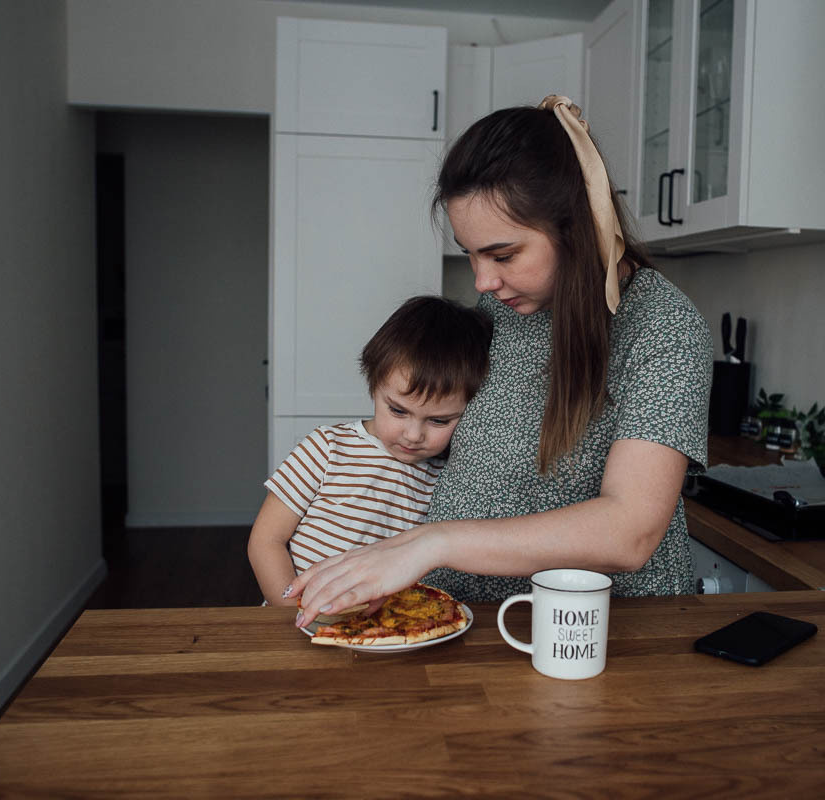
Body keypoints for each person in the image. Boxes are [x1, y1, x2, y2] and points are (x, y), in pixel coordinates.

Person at [288, 95, 712, 626]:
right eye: (471, 253)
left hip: (588, 634)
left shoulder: (661, 325)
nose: (483, 281)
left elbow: (630, 531)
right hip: (468, 621)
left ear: (576, 228)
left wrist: (431, 542)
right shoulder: (504, 307)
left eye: (503, 254)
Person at [248, 295, 492, 607]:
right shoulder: (327, 447)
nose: (413, 435)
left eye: (438, 420)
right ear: (373, 385)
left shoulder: (445, 479)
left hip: (383, 626)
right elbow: (266, 540)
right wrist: (291, 611)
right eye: (398, 411)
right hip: (297, 618)